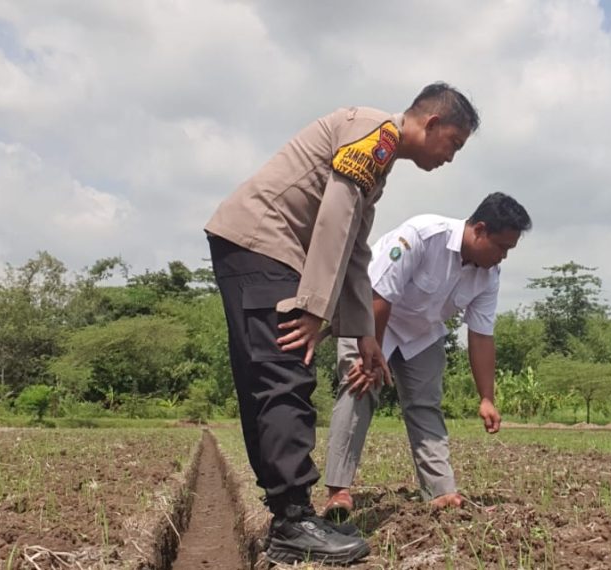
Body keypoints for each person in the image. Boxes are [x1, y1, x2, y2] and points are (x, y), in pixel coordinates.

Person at [203, 82, 479, 566]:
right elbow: (333, 217)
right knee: (284, 374)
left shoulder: (380, 157)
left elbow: (355, 249)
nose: (451, 158)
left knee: (268, 378)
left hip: (257, 246)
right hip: (266, 242)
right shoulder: (378, 133)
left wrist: (365, 336)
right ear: (432, 124)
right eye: (453, 143)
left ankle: (287, 516)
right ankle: (292, 520)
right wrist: (312, 308)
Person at [321, 192, 531, 520]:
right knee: (360, 385)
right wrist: (371, 354)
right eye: (502, 247)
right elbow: (379, 295)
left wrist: (487, 397)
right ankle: (339, 491)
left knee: (425, 404)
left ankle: (441, 491)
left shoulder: (488, 276)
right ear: (479, 229)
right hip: (372, 317)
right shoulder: (422, 236)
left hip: (421, 332)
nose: (503, 257)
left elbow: (480, 335)